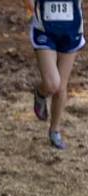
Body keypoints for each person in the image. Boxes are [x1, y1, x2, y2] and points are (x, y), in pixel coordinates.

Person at [27, 0, 84, 149]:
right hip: (45, 30)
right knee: (52, 83)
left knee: (61, 87)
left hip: (71, 29)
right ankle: (41, 93)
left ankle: (54, 130)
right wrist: (32, 7)